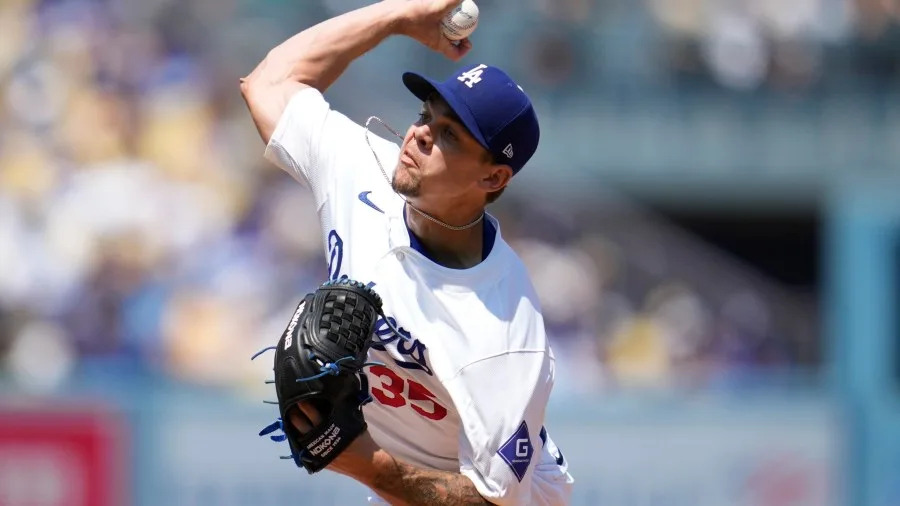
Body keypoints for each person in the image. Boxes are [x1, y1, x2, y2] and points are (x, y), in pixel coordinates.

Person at [240, 0, 574, 504]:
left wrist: (363, 462)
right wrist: (395, 17)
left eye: (448, 136)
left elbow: (494, 502)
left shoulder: (504, 331)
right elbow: (268, 82)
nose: (419, 134)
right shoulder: (361, 166)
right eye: (426, 115)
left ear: (492, 177)